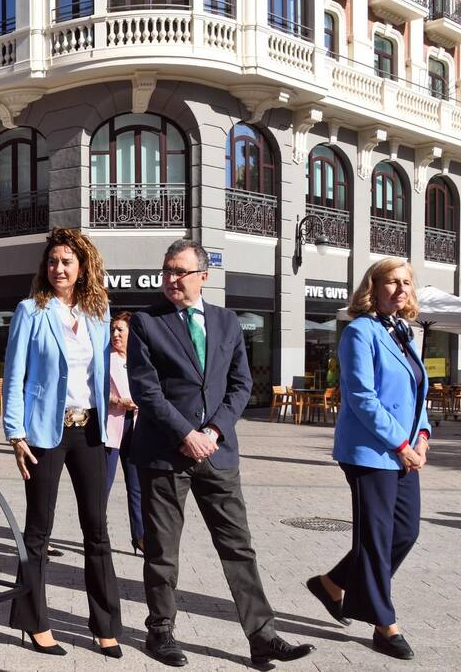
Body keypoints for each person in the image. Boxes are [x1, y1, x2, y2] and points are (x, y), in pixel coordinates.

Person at [127, 239, 315, 667]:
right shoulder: (146, 322)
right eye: (167, 270)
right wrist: (185, 433)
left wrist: (212, 430)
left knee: (238, 547)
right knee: (162, 550)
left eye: (181, 271)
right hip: (165, 454)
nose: (172, 279)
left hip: (218, 452)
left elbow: (241, 385)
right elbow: (146, 389)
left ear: (203, 277)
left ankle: (262, 636)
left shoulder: (228, 322)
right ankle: (160, 632)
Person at [4, 228, 122, 658]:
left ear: (82, 266)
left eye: (66, 262)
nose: (58, 268)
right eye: (53, 261)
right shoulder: (30, 311)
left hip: (89, 430)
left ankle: (105, 625)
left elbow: (100, 372)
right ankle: (34, 622)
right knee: (38, 529)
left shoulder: (98, 311)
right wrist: (15, 433)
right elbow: (14, 375)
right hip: (43, 433)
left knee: (97, 528)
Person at [305, 258, 429, 661]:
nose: (401, 289)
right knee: (376, 539)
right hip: (371, 453)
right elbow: (361, 398)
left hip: (405, 452)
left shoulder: (404, 333)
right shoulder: (359, 332)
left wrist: (422, 435)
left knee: (405, 532)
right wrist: (401, 444)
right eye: (392, 281)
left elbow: (416, 392)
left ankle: (331, 584)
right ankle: (384, 624)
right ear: (372, 287)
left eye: (407, 282)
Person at [105, 310, 144, 555]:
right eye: (113, 330)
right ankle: (98, 534)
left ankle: (140, 536)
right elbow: (94, 392)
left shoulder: (140, 360)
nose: (116, 334)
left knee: (137, 486)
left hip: (136, 427)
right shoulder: (104, 359)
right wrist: (118, 400)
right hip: (112, 425)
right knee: (103, 486)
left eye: (121, 330)